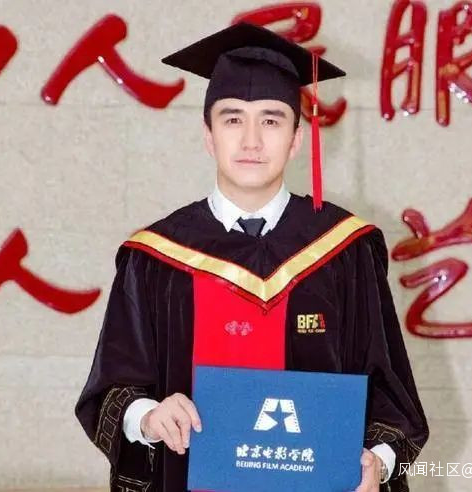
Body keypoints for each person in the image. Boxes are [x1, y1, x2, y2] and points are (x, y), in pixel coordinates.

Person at [75, 22, 429, 492]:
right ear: (208, 136)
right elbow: (112, 388)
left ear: (296, 139)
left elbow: (390, 391)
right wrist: (148, 416)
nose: (251, 141)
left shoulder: (344, 250)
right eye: (232, 119)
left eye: (271, 120)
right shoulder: (155, 256)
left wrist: (377, 462)